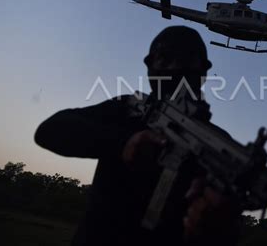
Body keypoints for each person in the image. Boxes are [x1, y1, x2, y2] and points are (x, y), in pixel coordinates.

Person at [34, 26, 241, 246]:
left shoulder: (217, 143)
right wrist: (123, 143)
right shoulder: (127, 109)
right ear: (150, 65)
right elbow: (49, 130)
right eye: (165, 59)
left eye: (188, 61)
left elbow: (224, 225)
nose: (175, 67)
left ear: (203, 71)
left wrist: (215, 229)